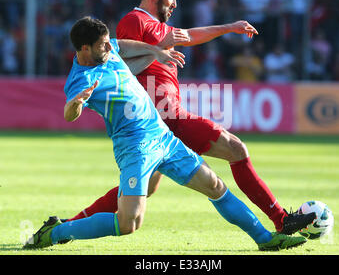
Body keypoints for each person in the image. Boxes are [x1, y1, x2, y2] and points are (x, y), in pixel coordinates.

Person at [64, 0, 315, 235]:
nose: (174, 4)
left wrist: (228, 27)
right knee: (236, 149)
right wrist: (161, 45)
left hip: (160, 121)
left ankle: (67, 226)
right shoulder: (135, 21)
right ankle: (279, 219)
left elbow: (190, 35)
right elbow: (120, 68)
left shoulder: (156, 25)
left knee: (143, 188)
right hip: (164, 115)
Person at [23, 16, 308, 251]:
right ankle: (58, 232)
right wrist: (77, 103)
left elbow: (123, 44)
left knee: (215, 186)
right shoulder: (80, 80)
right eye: (103, 45)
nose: (110, 47)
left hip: (163, 137)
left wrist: (154, 51)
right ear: (85, 49)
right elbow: (68, 114)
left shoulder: (109, 51)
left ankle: (267, 239)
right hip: (135, 148)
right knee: (128, 223)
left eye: (109, 41)